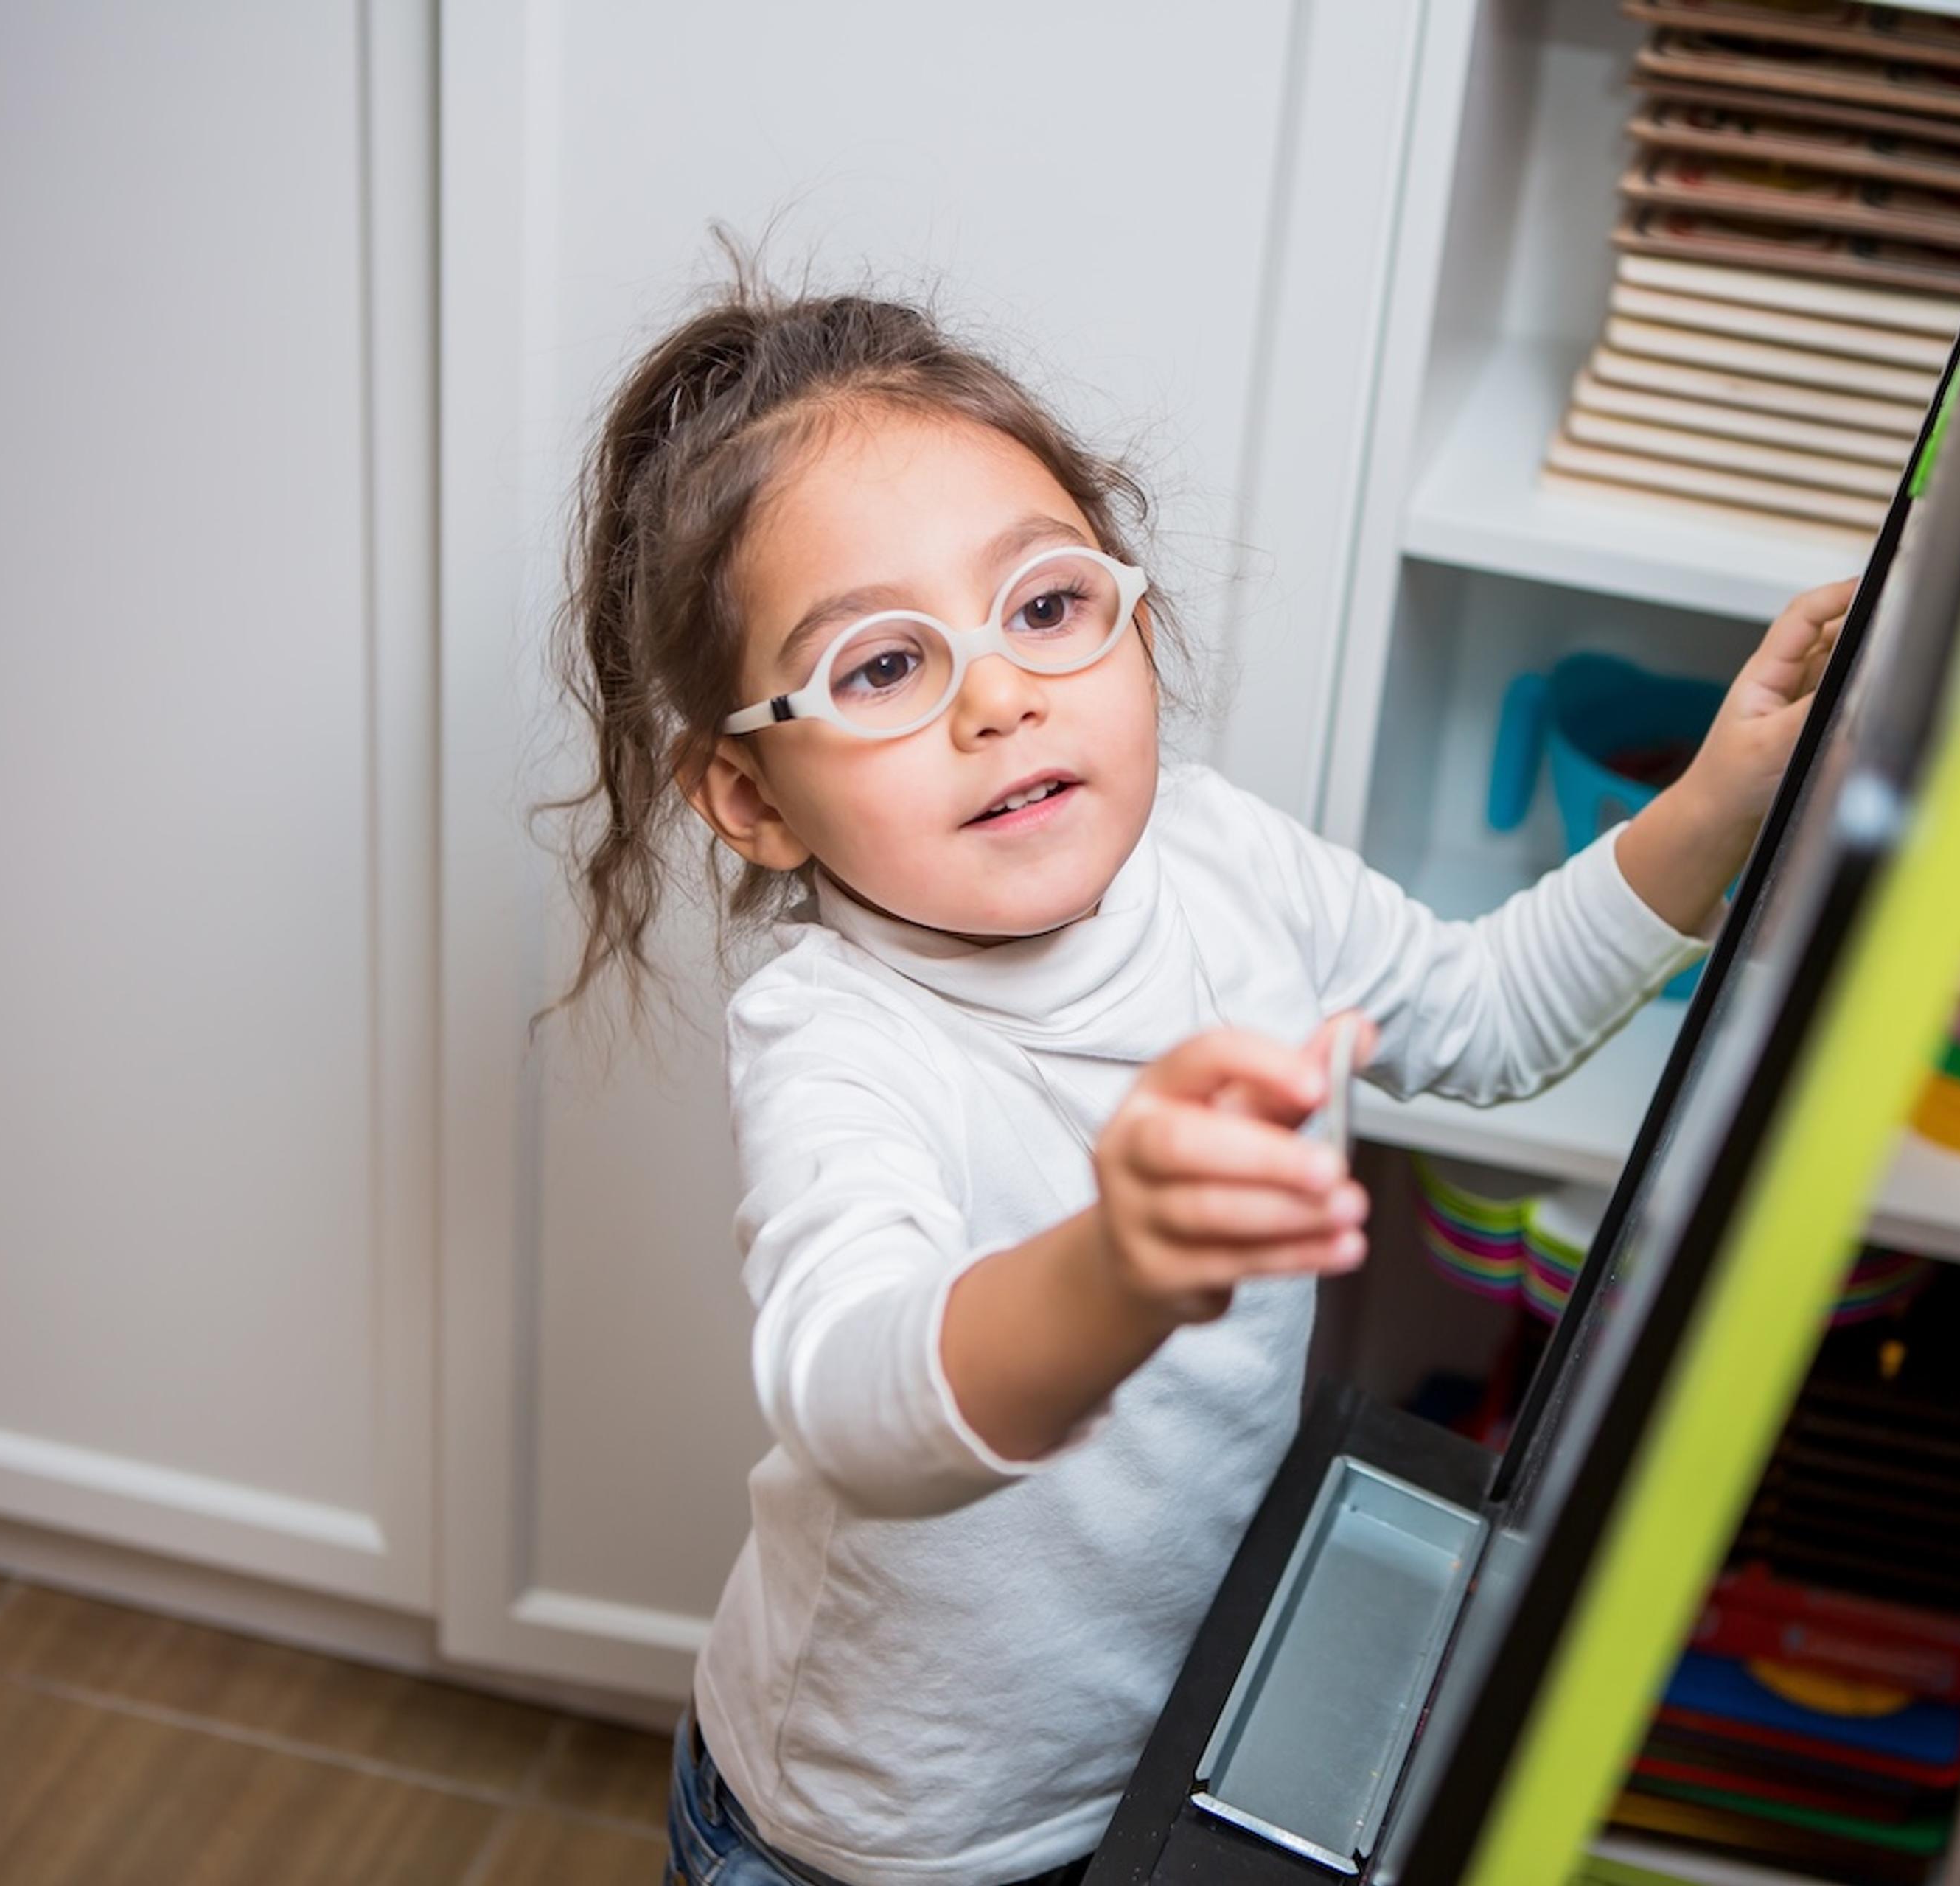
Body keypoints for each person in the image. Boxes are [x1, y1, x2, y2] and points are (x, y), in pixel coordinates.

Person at [548, 262, 1849, 1886]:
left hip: (1145, 1762)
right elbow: (854, 1396)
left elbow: (1486, 1014)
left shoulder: (1221, 855)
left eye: (1044, 607)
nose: (1002, 697)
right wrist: (1117, 1262)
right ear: (750, 797)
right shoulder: (842, 1037)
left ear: (1131, 617)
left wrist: (1720, 799)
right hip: (879, 1844)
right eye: (884, 666)